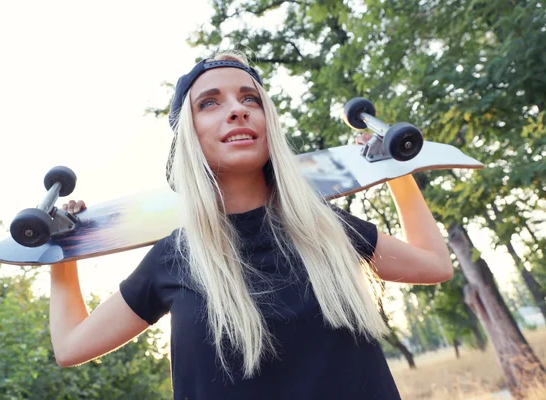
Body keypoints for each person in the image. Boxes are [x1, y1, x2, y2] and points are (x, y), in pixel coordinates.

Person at [50, 51, 454, 399]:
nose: (237, 109)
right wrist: (61, 251)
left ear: (267, 121)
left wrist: (399, 172)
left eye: (250, 99)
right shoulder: (175, 258)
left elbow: (435, 265)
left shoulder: (325, 229)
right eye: (210, 103)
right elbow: (70, 346)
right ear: (189, 138)